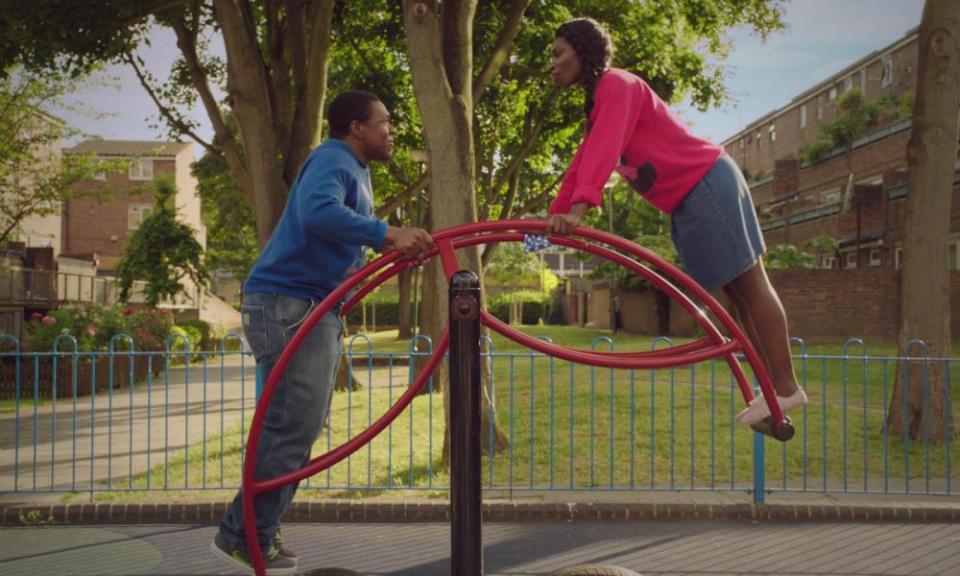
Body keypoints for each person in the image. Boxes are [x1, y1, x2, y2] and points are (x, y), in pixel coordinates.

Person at [211, 90, 435, 575]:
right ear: (357, 127)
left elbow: (335, 234)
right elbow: (317, 212)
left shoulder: (353, 169)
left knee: (297, 428)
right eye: (384, 122)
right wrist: (386, 233)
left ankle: (252, 534)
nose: (390, 130)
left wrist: (386, 243)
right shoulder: (333, 158)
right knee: (290, 428)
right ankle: (244, 535)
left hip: (305, 303)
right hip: (290, 303)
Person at [543, 18, 806, 426]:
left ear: (584, 51)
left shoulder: (618, 84)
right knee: (737, 296)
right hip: (690, 198)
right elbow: (586, 157)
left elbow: (606, 148)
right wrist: (557, 211)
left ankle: (786, 387)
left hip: (705, 183)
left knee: (752, 286)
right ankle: (770, 391)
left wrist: (577, 209)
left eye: (558, 53)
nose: (552, 64)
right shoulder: (600, 102)